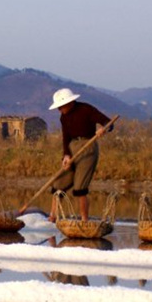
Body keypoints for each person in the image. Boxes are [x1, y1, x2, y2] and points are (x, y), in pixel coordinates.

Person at [47, 88, 113, 222]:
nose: (60, 110)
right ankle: (52, 217)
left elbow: (108, 122)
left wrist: (103, 129)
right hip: (72, 149)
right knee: (58, 184)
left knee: (79, 188)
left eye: (61, 107)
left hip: (88, 148)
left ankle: (84, 220)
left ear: (69, 103)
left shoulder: (86, 109)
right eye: (58, 108)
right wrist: (66, 155)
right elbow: (65, 138)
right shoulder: (63, 117)